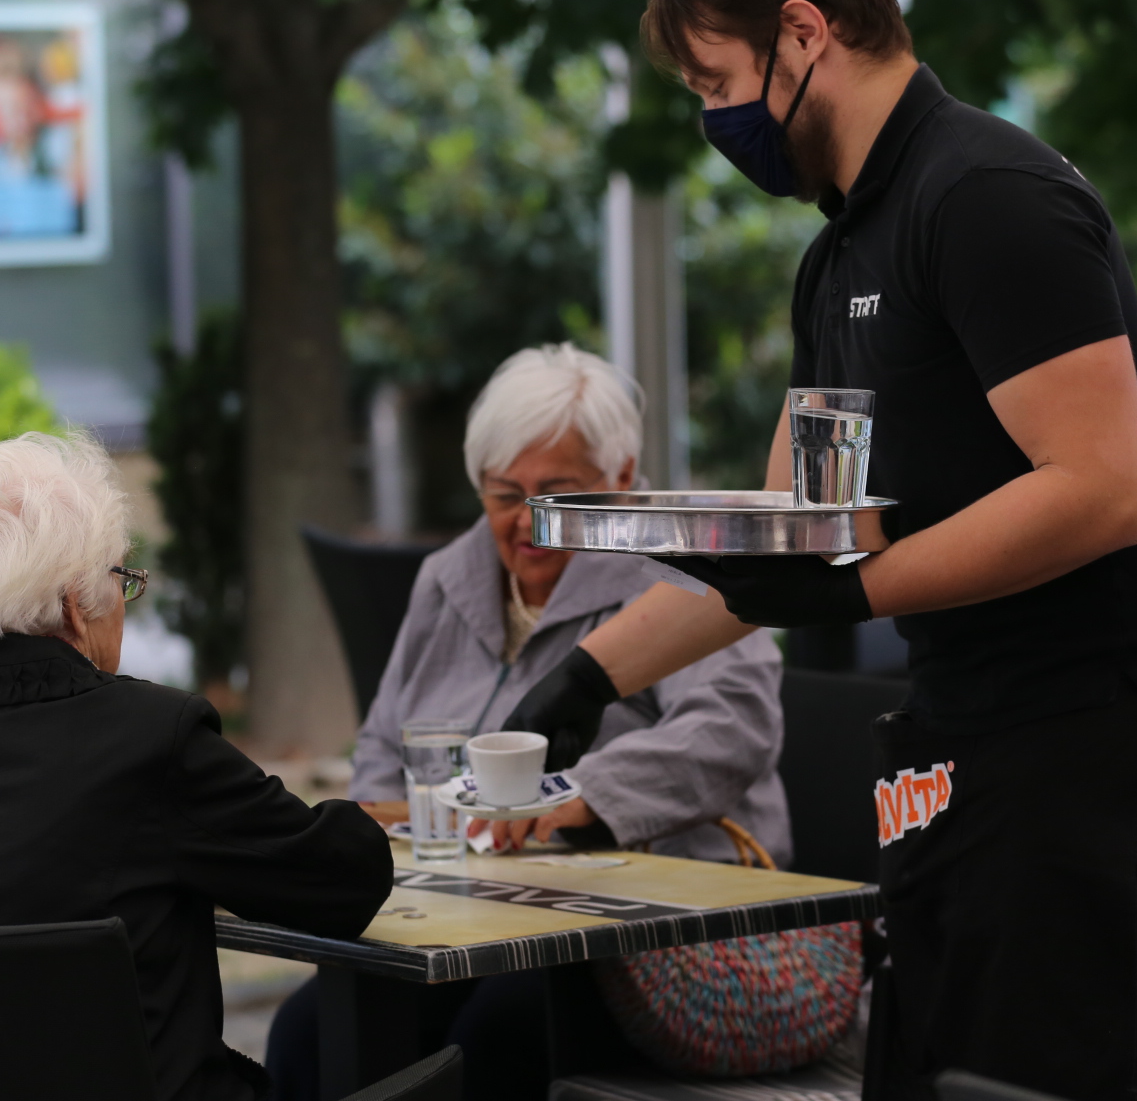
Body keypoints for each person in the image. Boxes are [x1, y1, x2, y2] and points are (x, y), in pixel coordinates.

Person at [503, 0, 1137, 1101]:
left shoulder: (989, 197)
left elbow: (1103, 491)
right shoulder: (843, 248)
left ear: (804, 33)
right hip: (959, 715)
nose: (715, 120)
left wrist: (853, 584)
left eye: (713, 83)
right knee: (923, 1068)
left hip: (1094, 722)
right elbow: (790, 538)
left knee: (1033, 1077)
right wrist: (590, 673)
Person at [266, 343, 790, 1101]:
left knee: (495, 1037)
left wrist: (573, 800)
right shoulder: (448, 577)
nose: (527, 519)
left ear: (621, 476)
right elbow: (385, 743)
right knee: (309, 1033)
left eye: (558, 493)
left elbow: (731, 726)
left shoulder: (686, 571)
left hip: (644, 936)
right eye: (504, 492)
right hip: (463, 922)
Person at [0, 432, 393, 1101]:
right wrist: (370, 815)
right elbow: (345, 883)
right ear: (78, 603)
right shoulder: (148, 739)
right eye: (122, 579)